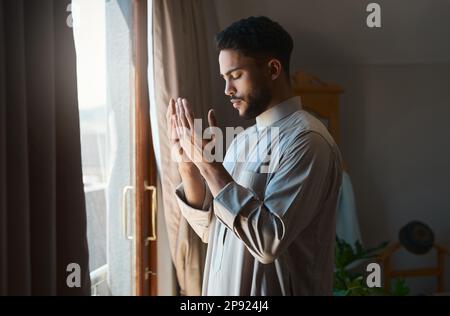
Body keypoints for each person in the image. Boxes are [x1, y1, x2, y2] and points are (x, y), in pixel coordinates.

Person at [166, 16, 343, 295]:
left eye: (235, 75)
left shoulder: (308, 142)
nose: (227, 90)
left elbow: (266, 242)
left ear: (273, 69)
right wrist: (189, 167)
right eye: (224, 79)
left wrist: (209, 166)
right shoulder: (242, 140)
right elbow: (216, 231)